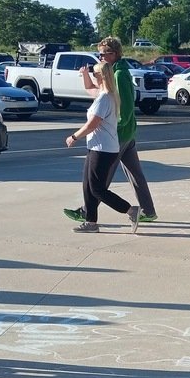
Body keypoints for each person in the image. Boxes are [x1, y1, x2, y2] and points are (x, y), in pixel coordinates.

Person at [64, 36, 157, 224]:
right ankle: (148, 211)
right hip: (125, 133)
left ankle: (88, 213)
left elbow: (127, 106)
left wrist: (116, 125)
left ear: (113, 54)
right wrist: (86, 76)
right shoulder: (115, 72)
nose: (100, 58)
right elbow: (94, 91)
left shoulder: (119, 74)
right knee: (134, 174)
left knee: (99, 181)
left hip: (118, 135)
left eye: (103, 54)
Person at [64, 61, 140, 235]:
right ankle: (91, 222)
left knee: (97, 188)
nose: (92, 77)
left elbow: (92, 124)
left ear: (101, 76)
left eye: (94, 74)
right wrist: (84, 74)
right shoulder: (104, 94)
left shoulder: (105, 98)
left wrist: (74, 136)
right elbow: (88, 88)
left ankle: (131, 211)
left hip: (103, 149)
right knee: (88, 186)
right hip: (97, 147)